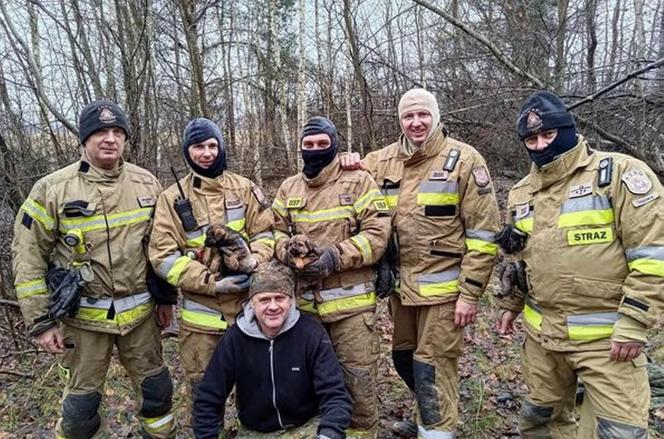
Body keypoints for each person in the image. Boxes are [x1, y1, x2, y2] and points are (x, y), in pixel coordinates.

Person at [496, 90, 664, 437]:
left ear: (568, 130)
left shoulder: (619, 174)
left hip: (608, 342)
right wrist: (511, 303)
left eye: (548, 134)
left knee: (619, 431)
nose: (541, 145)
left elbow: (653, 254)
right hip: (542, 340)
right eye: (531, 138)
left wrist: (634, 323)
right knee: (540, 424)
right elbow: (519, 256)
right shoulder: (521, 192)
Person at [341, 88, 501, 438]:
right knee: (404, 360)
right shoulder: (380, 161)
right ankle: (427, 417)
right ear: (400, 120)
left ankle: (437, 429)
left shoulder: (464, 160)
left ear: (436, 116)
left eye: (423, 115)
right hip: (401, 291)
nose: (416, 123)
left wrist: (471, 294)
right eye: (408, 116)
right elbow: (348, 184)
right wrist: (349, 162)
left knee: (431, 368)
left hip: (445, 294)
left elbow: (484, 235)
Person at [11, 100, 176, 438]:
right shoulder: (52, 189)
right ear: (84, 139)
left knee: (158, 395)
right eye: (100, 131)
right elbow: (27, 256)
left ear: (126, 139)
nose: (110, 139)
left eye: (117, 132)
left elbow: (161, 247)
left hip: (141, 317)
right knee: (81, 411)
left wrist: (164, 299)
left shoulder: (147, 184)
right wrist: (41, 322)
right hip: (82, 321)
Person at [149, 117, 274, 423]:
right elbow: (163, 256)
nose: (205, 153)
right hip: (200, 322)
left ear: (220, 147)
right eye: (197, 147)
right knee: (204, 395)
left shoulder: (245, 188)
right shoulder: (171, 200)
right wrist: (211, 282)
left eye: (211, 145)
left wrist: (254, 261)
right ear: (186, 151)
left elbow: (268, 233)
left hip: (249, 314)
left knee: (258, 390)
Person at [272, 116, 391, 438]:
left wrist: (334, 258)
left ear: (335, 145)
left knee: (358, 383)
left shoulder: (360, 182)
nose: (315, 150)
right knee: (305, 384)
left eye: (322, 144)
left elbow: (378, 234)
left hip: (352, 308)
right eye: (308, 145)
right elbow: (273, 233)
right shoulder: (288, 188)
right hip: (304, 310)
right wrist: (289, 254)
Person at [193, 261, 352, 438]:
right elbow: (207, 398)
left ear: (291, 301)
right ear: (252, 303)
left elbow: (335, 395)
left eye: (280, 298)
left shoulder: (311, 334)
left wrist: (328, 434)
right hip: (256, 432)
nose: (273, 306)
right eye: (264, 300)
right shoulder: (234, 339)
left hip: (307, 427)